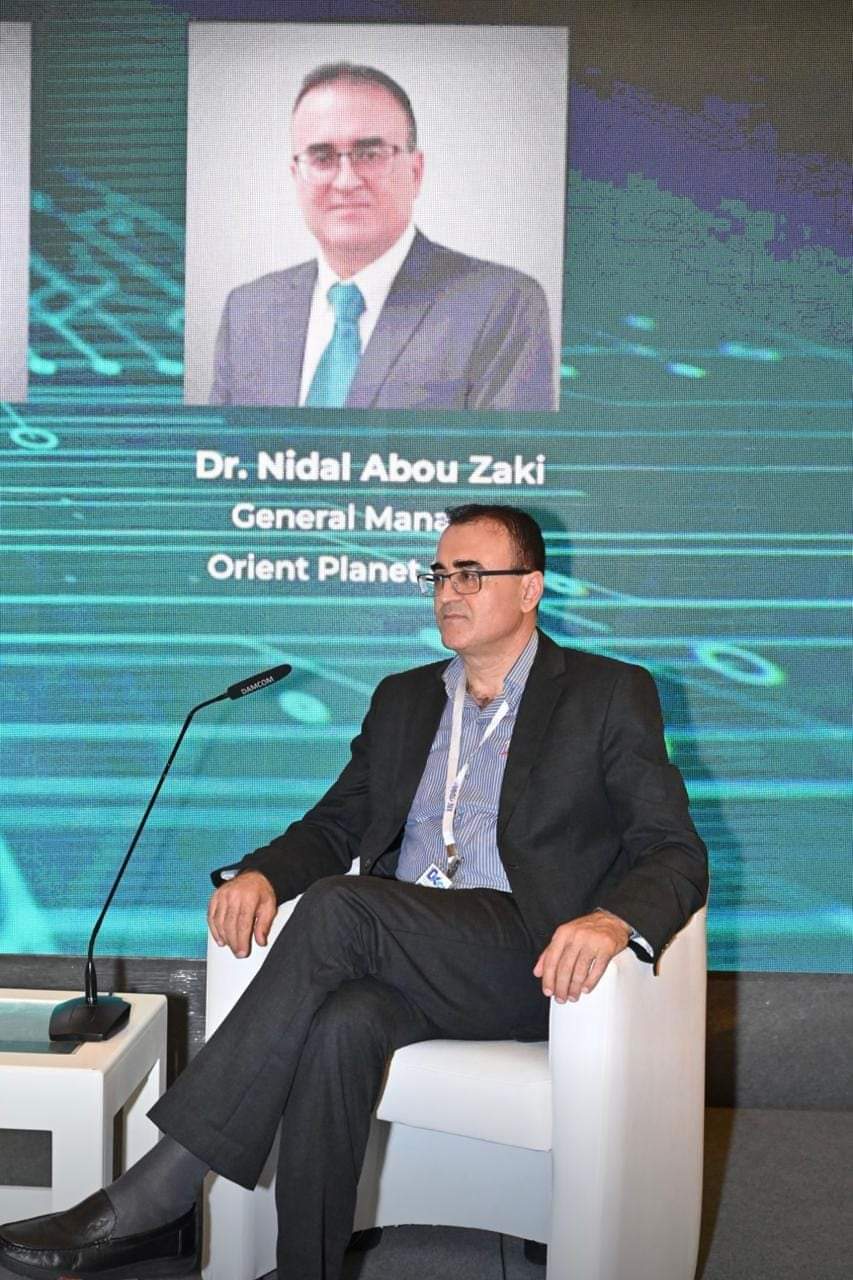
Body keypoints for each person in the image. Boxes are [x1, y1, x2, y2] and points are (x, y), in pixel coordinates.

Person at [0, 503, 708, 1280]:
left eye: (471, 574)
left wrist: (612, 920)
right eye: (439, 575)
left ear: (530, 588)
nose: (448, 591)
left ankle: (161, 1191)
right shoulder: (405, 699)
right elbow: (335, 824)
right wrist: (265, 872)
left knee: (341, 906)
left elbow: (674, 850)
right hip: (410, 953)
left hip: (526, 958)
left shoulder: (606, 694)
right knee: (341, 1024)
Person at [209, 63, 556, 411]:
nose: (346, 182)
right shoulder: (248, 312)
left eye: (370, 155)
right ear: (296, 176)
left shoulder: (501, 306)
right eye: (322, 158)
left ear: (415, 172)